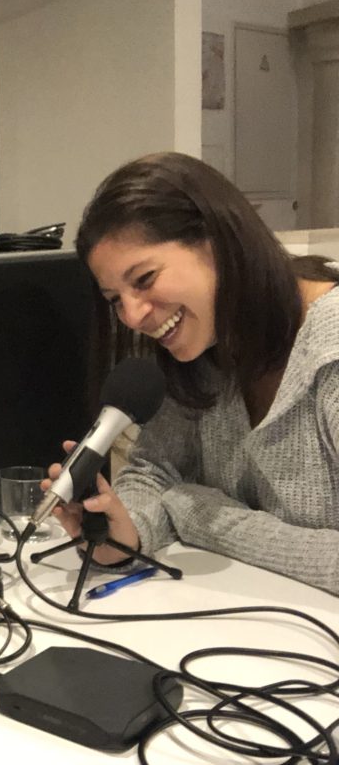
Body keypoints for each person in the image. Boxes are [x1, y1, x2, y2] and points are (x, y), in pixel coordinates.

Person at [47, 151, 339, 596]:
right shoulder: (206, 342)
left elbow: (185, 500)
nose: (132, 315)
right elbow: (155, 470)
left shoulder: (330, 348)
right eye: (115, 299)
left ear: (217, 240)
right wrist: (128, 533)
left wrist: (203, 516)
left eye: (143, 279)